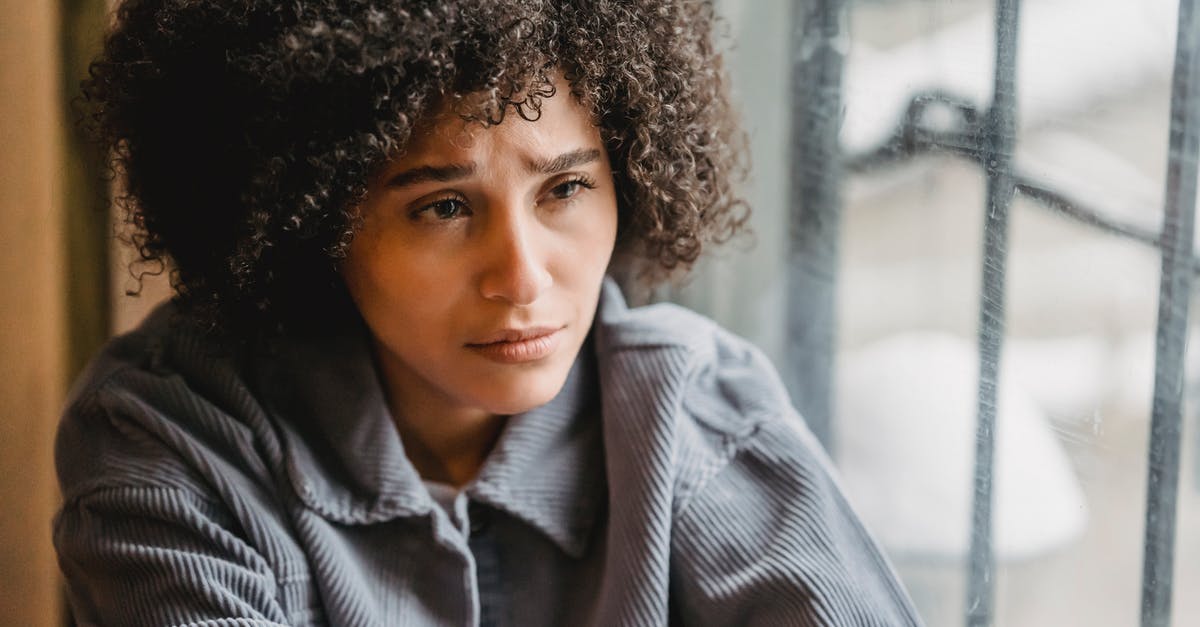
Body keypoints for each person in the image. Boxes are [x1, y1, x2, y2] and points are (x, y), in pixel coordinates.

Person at [54, 1, 922, 625]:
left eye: (567, 188)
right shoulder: (171, 441)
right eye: (442, 207)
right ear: (309, 215)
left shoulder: (699, 418)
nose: (521, 276)